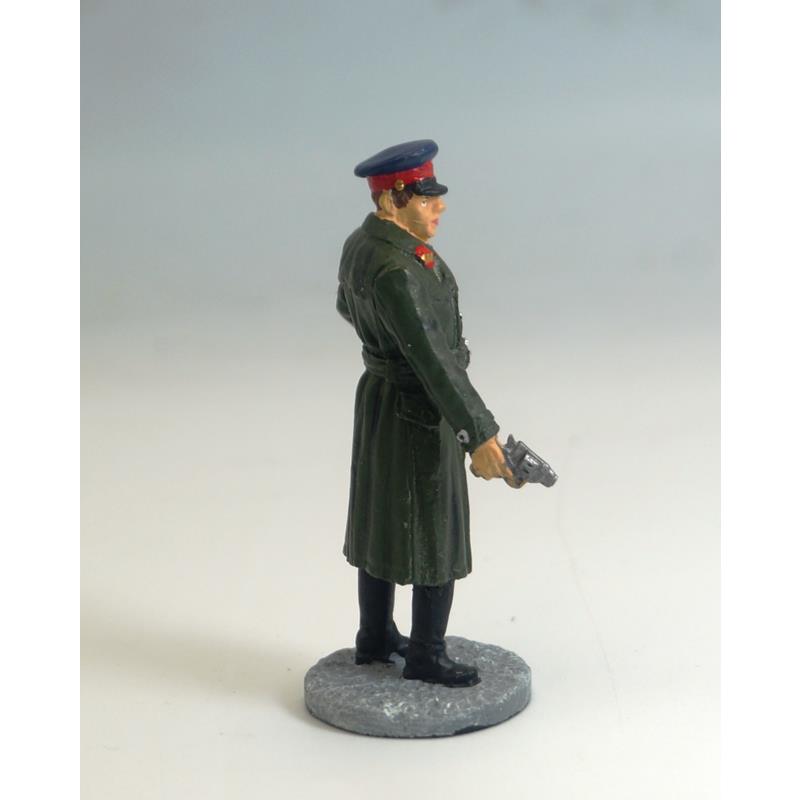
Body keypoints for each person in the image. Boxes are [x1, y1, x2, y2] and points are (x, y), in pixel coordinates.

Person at [336, 140, 519, 688]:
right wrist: (478, 435)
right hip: (420, 408)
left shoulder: (362, 245)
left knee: (380, 523)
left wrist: (380, 343)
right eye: (424, 198)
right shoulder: (398, 269)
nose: (439, 206)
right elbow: (435, 362)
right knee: (436, 532)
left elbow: (345, 305)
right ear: (391, 201)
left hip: (380, 400)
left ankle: (374, 637)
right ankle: (426, 654)